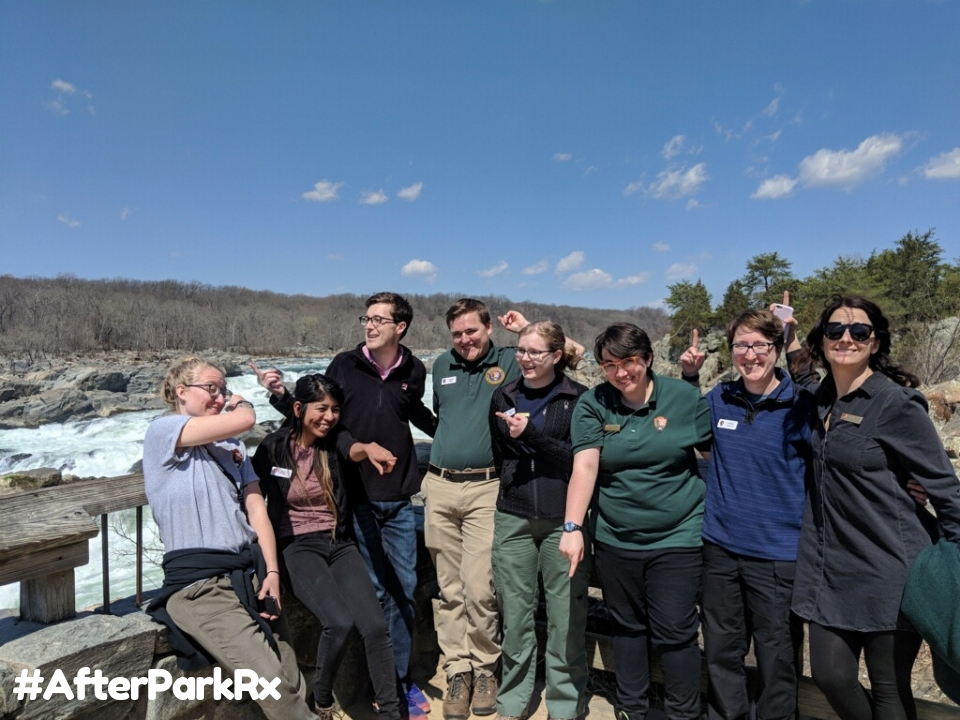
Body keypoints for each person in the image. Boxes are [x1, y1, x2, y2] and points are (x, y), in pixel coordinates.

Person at [255, 291, 436, 719]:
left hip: (397, 497)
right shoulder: (344, 364)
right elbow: (320, 416)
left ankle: (398, 684)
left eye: (378, 320)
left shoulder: (414, 369)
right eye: (366, 318)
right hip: (353, 499)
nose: (369, 326)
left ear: (400, 327)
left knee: (404, 591)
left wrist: (464, 436)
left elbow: (416, 415)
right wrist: (280, 396)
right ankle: (379, 687)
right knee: (372, 597)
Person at [790, 296, 960, 720]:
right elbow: (801, 373)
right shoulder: (821, 396)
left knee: (888, 688)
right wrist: (789, 335)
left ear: (876, 342)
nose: (846, 338)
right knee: (831, 676)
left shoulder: (897, 404)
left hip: (890, 567)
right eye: (835, 331)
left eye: (859, 331)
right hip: (829, 569)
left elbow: (944, 487)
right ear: (822, 340)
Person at [427, 299, 583, 720]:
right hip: (443, 486)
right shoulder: (442, 366)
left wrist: (526, 330)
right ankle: (459, 671)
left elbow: (572, 354)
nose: (464, 340)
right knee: (451, 589)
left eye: (471, 331)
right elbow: (442, 419)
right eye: (457, 333)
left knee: (482, 590)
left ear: (489, 327)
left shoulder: (513, 361)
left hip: (490, 489)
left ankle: (486, 670)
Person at [143, 357, 316, 720]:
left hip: (250, 576)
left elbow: (256, 512)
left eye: (223, 390)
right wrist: (242, 402)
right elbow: (247, 418)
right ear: (180, 392)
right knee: (274, 688)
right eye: (211, 389)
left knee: (291, 678)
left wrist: (271, 572)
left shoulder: (231, 447)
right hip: (200, 587)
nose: (219, 397)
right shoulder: (163, 431)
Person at [560, 322, 711, 720]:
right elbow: (586, 468)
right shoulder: (594, 403)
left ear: (647, 359)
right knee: (626, 627)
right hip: (616, 536)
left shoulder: (682, 396)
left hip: (678, 535)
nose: (621, 372)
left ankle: (683, 713)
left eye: (629, 361)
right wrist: (573, 527)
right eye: (609, 365)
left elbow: (719, 457)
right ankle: (632, 709)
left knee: (676, 631)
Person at [680, 310, 810, 720]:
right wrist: (688, 380)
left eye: (759, 345)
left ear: (774, 348)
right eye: (741, 345)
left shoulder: (802, 406)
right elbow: (686, 430)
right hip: (720, 547)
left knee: (778, 655)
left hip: (778, 553)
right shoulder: (721, 397)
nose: (750, 355)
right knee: (721, 648)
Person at [252, 374, 401, 720]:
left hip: (338, 542)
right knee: (338, 621)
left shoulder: (332, 442)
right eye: (322, 409)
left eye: (335, 410)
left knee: (376, 628)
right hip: (297, 547)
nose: (329, 417)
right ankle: (322, 699)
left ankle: (391, 712)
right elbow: (251, 499)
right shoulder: (273, 448)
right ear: (299, 408)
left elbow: (354, 448)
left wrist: (370, 450)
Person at [489, 321, 589, 720]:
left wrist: (532, 435)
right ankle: (513, 699)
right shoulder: (504, 393)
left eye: (534, 352)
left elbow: (577, 461)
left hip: (562, 521)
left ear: (556, 356)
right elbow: (501, 455)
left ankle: (565, 705)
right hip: (512, 518)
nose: (525, 359)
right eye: (520, 350)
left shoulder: (577, 398)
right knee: (515, 616)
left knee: (566, 620)